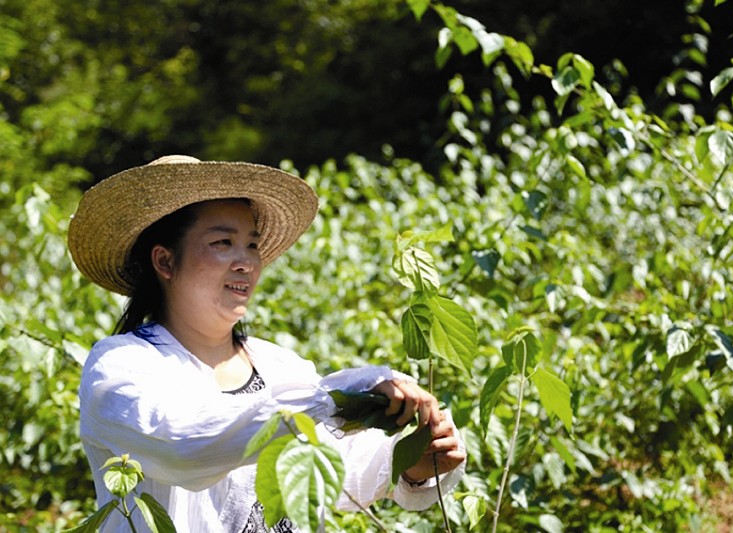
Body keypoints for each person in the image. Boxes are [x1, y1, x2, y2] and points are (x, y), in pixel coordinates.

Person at [68, 155, 466, 532]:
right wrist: (333, 396)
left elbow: (339, 471)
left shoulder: (280, 367)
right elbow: (185, 446)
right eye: (222, 243)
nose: (246, 261)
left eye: (252, 244)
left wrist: (414, 461)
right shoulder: (122, 366)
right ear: (165, 262)